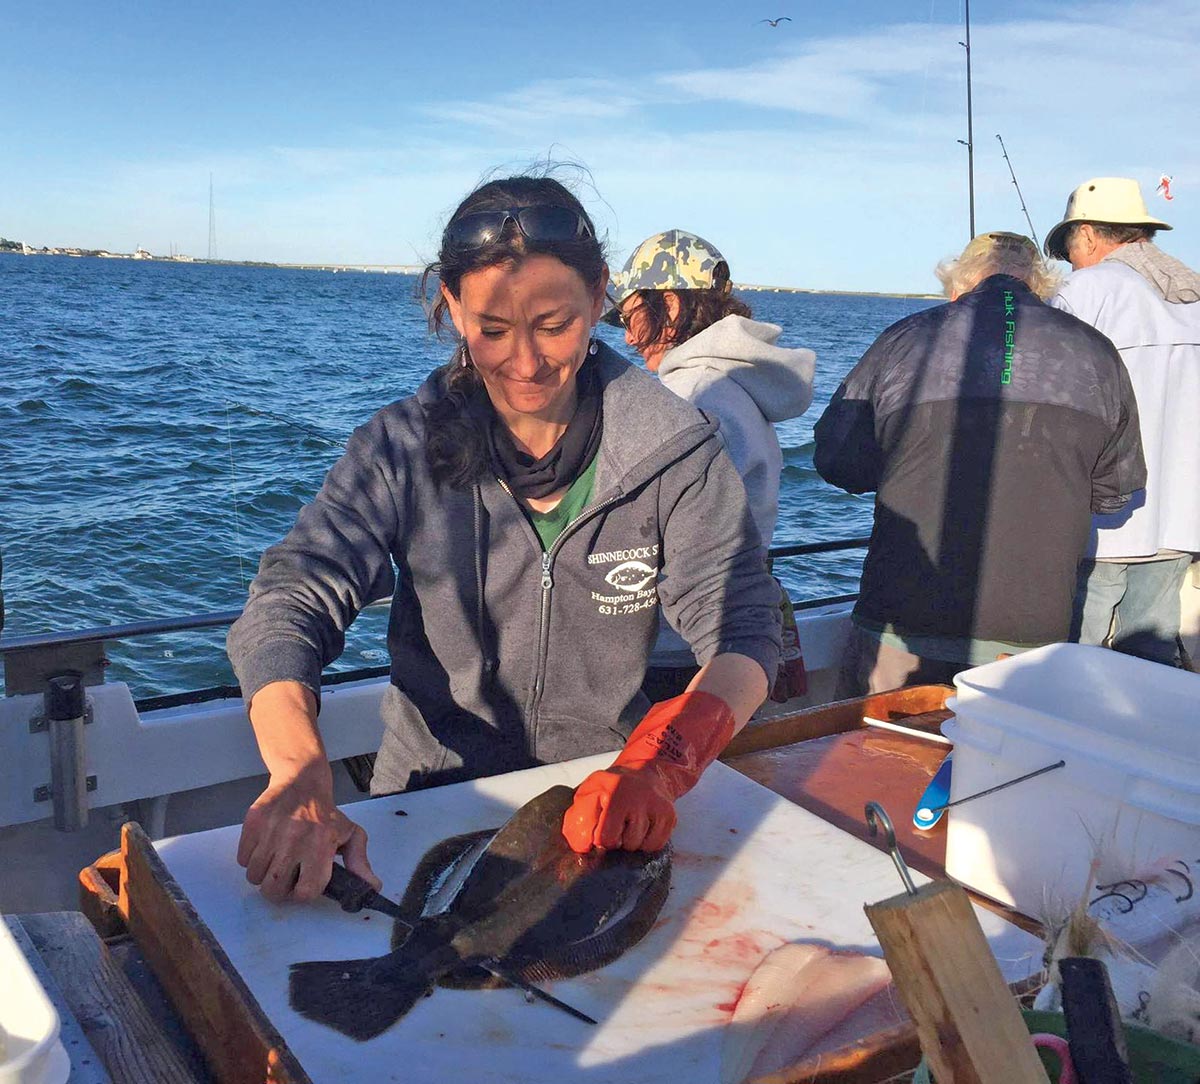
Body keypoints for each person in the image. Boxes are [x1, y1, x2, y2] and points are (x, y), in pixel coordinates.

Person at [226, 176, 781, 902]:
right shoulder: (399, 449)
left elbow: (744, 626)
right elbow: (291, 596)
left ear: (599, 298)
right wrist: (299, 772)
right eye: (492, 330)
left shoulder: (675, 450)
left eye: (554, 325)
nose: (525, 365)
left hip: (594, 810)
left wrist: (658, 766)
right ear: (453, 308)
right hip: (424, 797)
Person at [814, 231, 1146, 695]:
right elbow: (1115, 492)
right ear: (1041, 285)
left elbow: (837, 462)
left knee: (884, 758)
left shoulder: (904, 337)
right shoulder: (1097, 352)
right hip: (1032, 634)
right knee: (1010, 764)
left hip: (904, 616)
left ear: (958, 285)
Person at [605, 229, 815, 701]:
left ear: (672, 307)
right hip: (730, 637)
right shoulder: (739, 389)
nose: (626, 335)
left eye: (630, 314)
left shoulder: (689, 394)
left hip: (676, 649)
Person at [1044, 177, 1200, 668]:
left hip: (1104, 522)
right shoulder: (1191, 292)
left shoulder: (1085, 289)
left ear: (1087, 234)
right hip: (1181, 522)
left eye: (1069, 247)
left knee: (1072, 658)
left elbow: (1046, 393)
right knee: (1151, 663)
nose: (1069, 260)